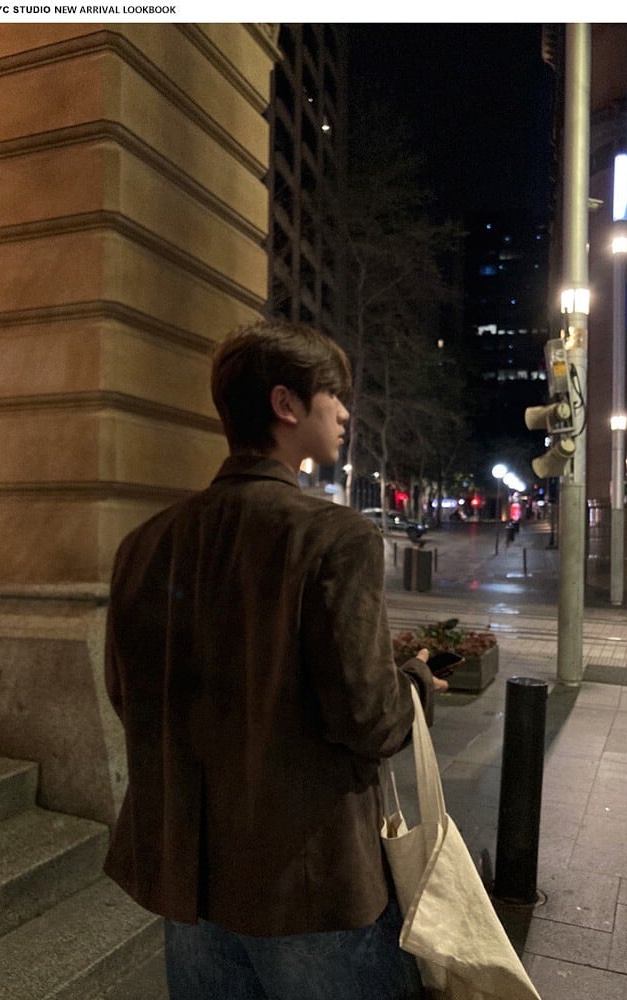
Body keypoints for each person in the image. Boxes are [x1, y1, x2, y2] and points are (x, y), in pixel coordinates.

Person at [103, 319, 448, 1000]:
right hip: (307, 882)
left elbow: (127, 695)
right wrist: (414, 680)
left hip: (189, 876)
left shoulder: (144, 543)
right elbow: (368, 718)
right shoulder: (335, 537)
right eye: (333, 395)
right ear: (286, 405)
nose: (344, 412)